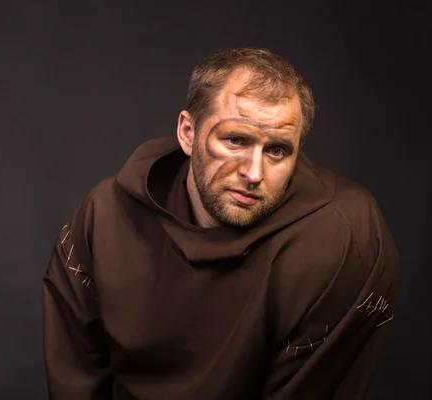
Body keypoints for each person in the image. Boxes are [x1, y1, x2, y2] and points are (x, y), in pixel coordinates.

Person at [42, 47, 399, 400]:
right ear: (187, 131)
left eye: (276, 150)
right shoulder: (105, 216)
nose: (254, 173)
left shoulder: (341, 239)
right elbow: (76, 375)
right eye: (235, 140)